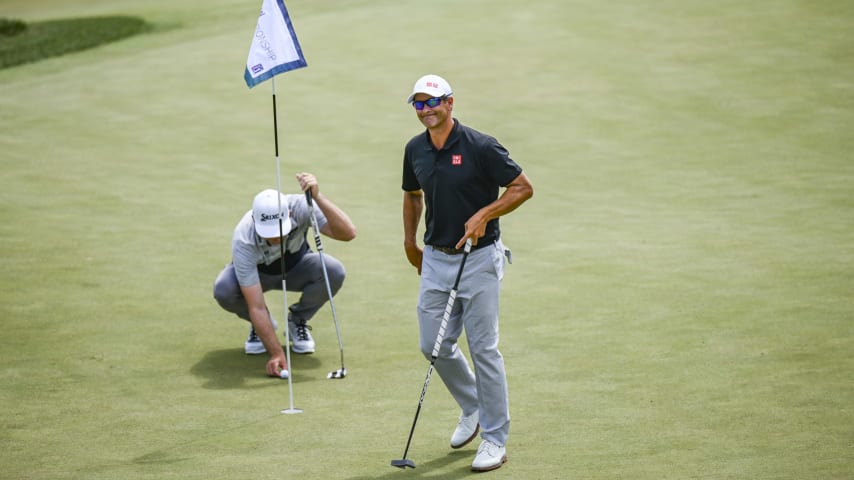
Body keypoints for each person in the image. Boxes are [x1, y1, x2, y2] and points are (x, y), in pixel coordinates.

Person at [401, 74, 534, 472]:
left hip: (479, 259)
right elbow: (412, 195)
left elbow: (522, 187)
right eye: (419, 104)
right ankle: (473, 404)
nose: (426, 110)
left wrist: (484, 213)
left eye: (433, 102)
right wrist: (410, 242)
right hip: (437, 260)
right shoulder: (415, 150)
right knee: (433, 344)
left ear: (450, 102)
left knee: (483, 349)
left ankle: (495, 438)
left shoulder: (480, 146)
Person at [213, 173, 356, 378]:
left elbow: (348, 233)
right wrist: (276, 353)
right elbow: (256, 305)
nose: (274, 238)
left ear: (288, 215)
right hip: (258, 275)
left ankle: (297, 321)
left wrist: (318, 197)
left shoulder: (301, 207)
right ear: (255, 220)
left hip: (297, 266)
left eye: (278, 231)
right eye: (268, 232)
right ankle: (262, 328)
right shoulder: (243, 238)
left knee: (334, 271)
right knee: (224, 289)